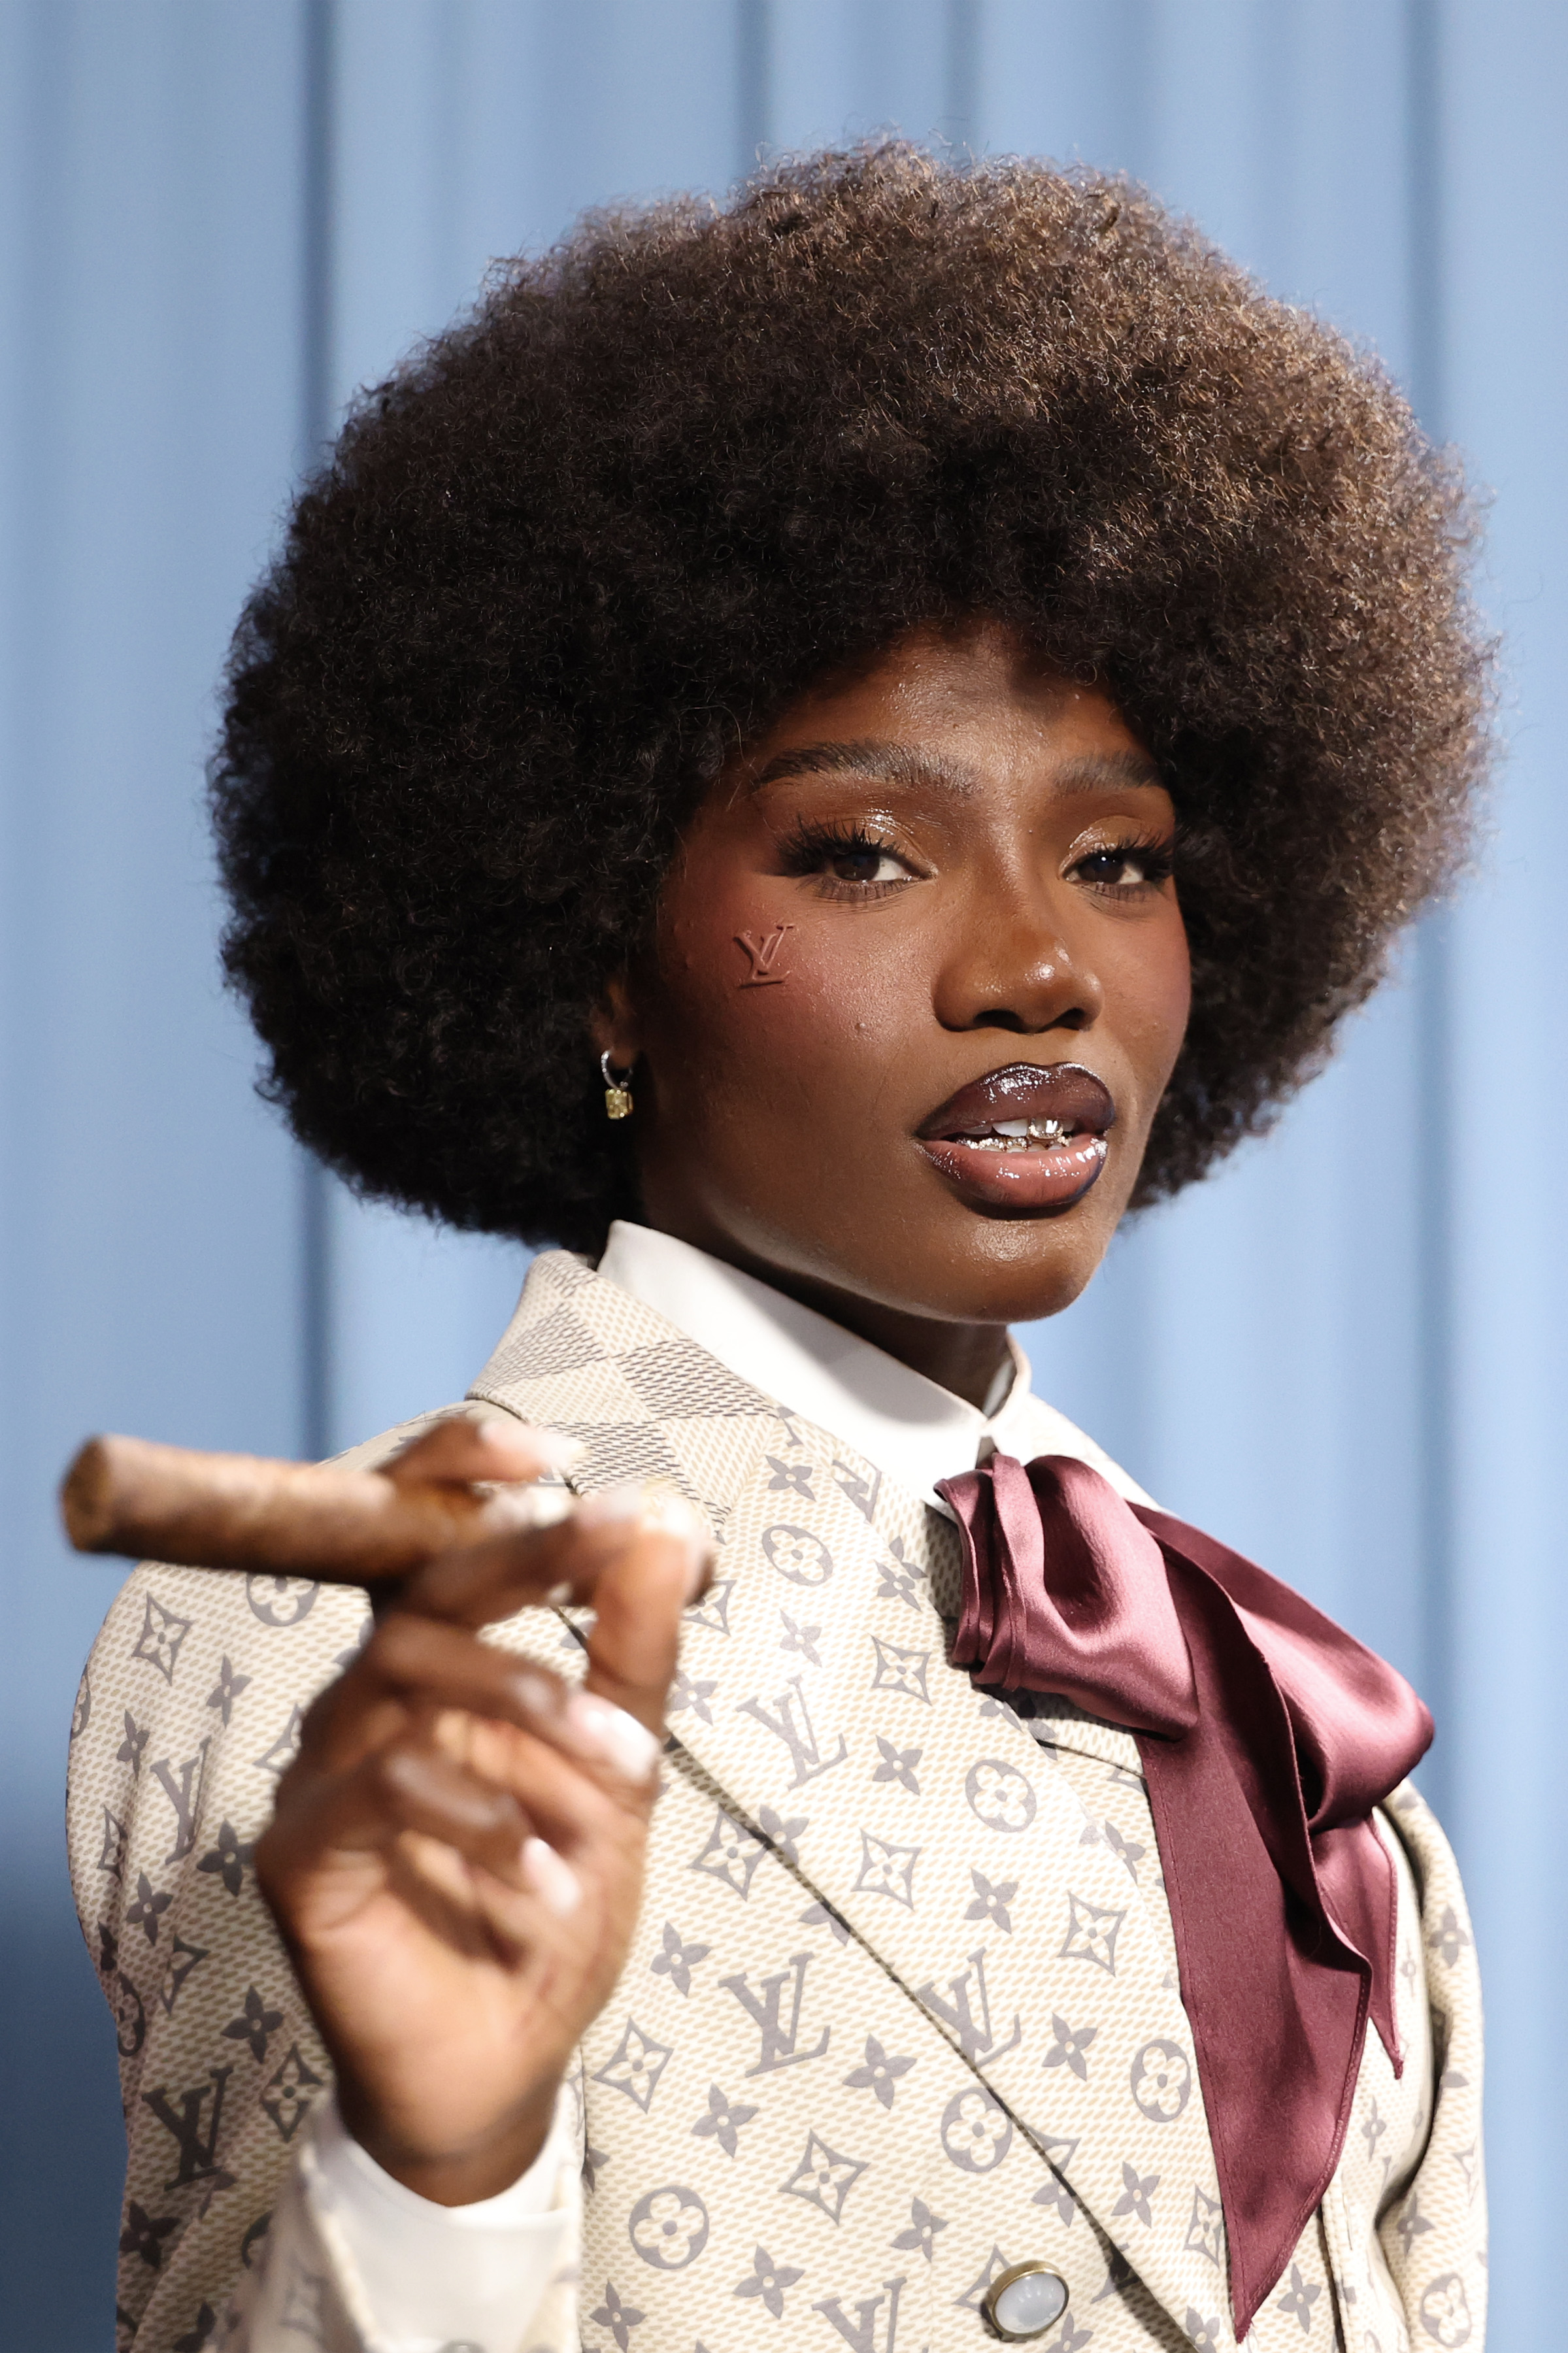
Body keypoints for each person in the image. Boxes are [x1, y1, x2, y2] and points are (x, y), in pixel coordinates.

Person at [69, 146, 1489, 2353]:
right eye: (859, 853)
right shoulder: (352, 1646)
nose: (1040, 969)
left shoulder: (1293, 1716)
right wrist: (438, 2179)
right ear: (597, 959)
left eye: (1121, 861)